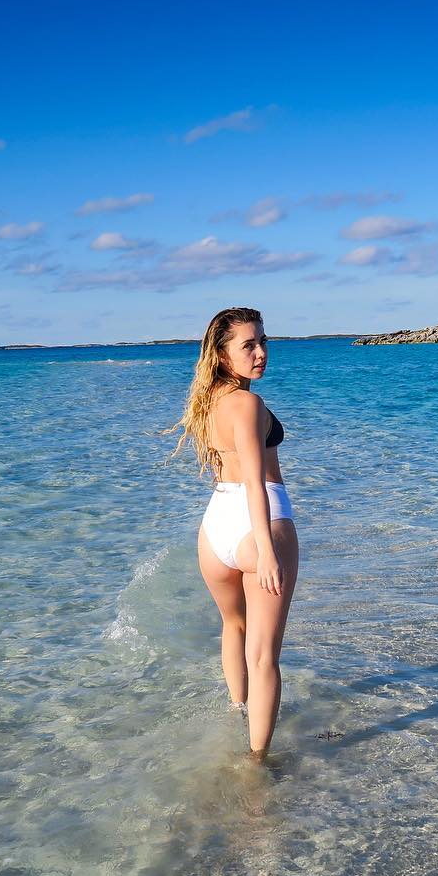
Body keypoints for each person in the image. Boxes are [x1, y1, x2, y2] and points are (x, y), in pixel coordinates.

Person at [168, 307, 299, 760]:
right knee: (263, 657)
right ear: (222, 355)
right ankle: (257, 763)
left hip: (216, 525)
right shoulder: (247, 404)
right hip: (258, 520)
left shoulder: (208, 401)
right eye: (248, 345)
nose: (261, 353)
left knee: (233, 625)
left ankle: (236, 712)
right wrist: (266, 550)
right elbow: (255, 482)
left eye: (263, 341)